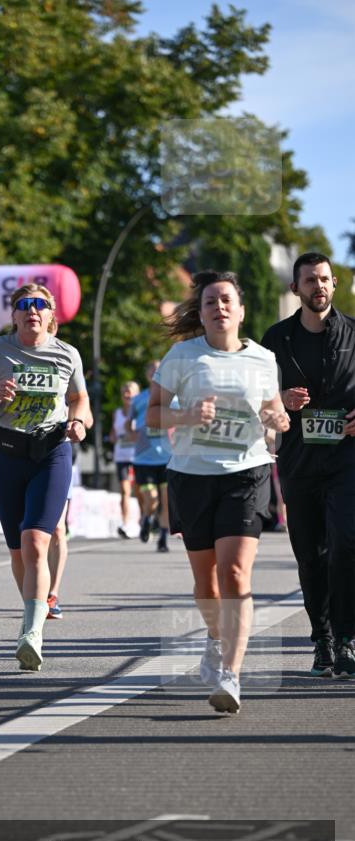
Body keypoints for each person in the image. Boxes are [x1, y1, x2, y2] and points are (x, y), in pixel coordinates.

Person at [147, 270, 289, 714]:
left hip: (247, 472)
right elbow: (152, 416)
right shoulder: (182, 356)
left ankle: (231, 672)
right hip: (192, 475)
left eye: (227, 300)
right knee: (206, 581)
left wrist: (278, 423)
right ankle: (214, 637)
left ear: (241, 311)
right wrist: (186, 416)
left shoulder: (264, 360)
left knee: (234, 575)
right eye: (210, 302)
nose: (219, 307)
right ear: (202, 313)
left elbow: (275, 417)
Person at [0, 283, 89, 671]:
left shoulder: (67, 354)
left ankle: (32, 633)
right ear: (14, 315)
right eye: (25, 305)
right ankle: (31, 611)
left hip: (51, 453)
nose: (32, 311)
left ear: (52, 315)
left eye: (41, 305)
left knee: (36, 541)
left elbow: (79, 399)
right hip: (7, 456)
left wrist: (79, 421)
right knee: (18, 550)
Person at [261, 252, 355, 678]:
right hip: (298, 461)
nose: (318, 287)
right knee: (309, 555)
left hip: (346, 460)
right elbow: (257, 400)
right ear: (294, 288)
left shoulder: (354, 333)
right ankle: (322, 639)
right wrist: (280, 400)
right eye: (309, 281)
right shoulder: (275, 339)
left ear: (334, 283)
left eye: (324, 279)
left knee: (346, 545)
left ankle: (347, 637)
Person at [47, 403, 94, 619]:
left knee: (57, 528)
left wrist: (77, 422)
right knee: (31, 533)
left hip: (59, 458)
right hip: (24, 457)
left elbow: (88, 419)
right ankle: (34, 592)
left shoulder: (71, 378)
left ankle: (51, 594)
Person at [125, 359, 173, 552]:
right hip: (144, 458)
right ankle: (146, 518)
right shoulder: (139, 399)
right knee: (151, 499)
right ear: (147, 376)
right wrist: (133, 435)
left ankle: (162, 538)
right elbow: (128, 424)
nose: (156, 374)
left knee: (167, 501)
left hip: (168, 458)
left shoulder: (173, 398)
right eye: (153, 371)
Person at [109, 381, 140, 538]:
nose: (127, 396)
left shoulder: (140, 412)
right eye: (125, 393)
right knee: (124, 491)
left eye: (131, 392)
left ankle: (144, 521)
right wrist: (115, 437)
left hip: (138, 456)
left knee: (141, 491)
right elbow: (113, 433)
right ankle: (126, 523)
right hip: (121, 455)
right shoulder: (117, 413)